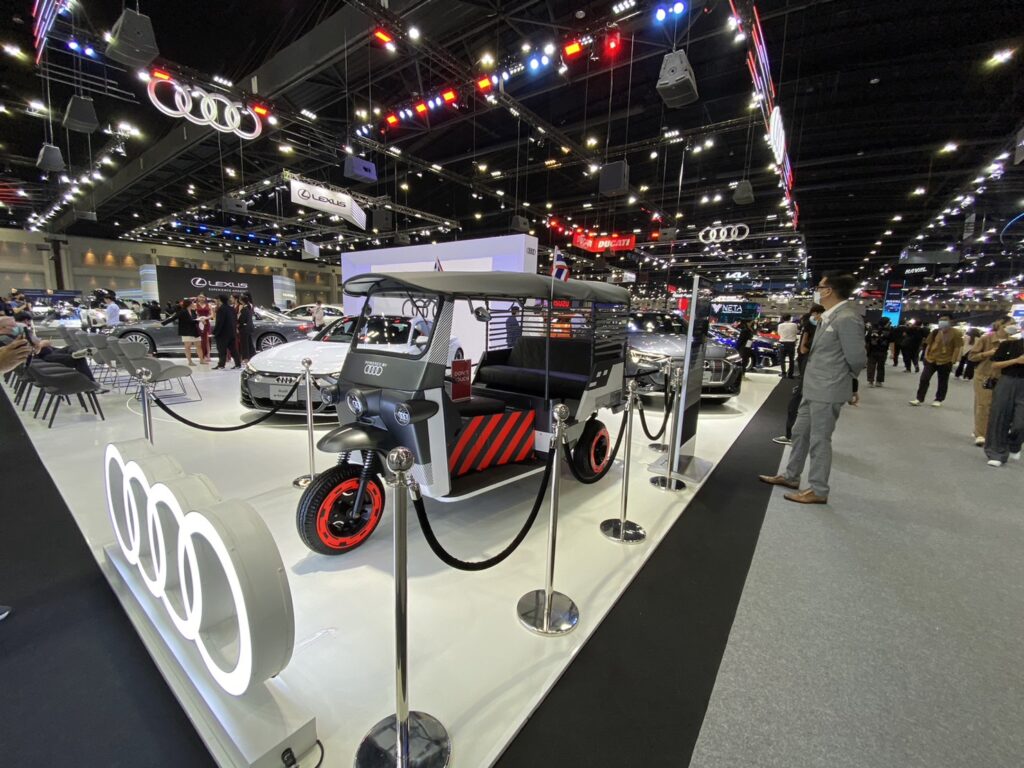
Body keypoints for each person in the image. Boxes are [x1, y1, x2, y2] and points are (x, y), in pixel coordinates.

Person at [759, 272, 865, 504]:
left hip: (828, 388)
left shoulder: (847, 318)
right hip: (812, 387)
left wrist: (850, 382)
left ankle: (818, 489)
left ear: (829, 290)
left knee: (819, 440)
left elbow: (857, 358)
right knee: (799, 432)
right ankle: (791, 475)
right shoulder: (829, 316)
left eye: (820, 287)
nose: (817, 290)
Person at [772, 305, 825, 446]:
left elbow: (803, 349)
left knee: (796, 405)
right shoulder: (799, 327)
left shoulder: (810, 329)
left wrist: (806, 333)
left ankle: (792, 436)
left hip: (807, 368)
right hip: (815, 372)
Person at [984, 321, 1024, 467]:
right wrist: (1016, 361)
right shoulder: (1008, 345)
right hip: (1007, 381)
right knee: (999, 417)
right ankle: (996, 453)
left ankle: (1014, 443)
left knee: (1020, 422)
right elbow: (995, 365)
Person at [969, 317, 1013, 446]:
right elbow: (972, 356)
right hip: (984, 375)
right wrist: (987, 353)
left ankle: (982, 429)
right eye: (1011, 324)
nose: (1014, 326)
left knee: (996, 406)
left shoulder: (1014, 342)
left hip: (1003, 377)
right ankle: (981, 434)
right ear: (1001, 325)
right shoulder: (986, 339)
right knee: (983, 404)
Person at [909, 315, 963, 407]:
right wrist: (926, 356)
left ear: (951, 322)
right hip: (931, 359)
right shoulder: (935, 332)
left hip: (945, 360)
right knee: (924, 378)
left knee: (942, 381)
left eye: (945, 320)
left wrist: (953, 360)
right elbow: (929, 344)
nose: (942, 322)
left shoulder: (956, 333)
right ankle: (919, 398)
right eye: (941, 320)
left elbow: (957, 347)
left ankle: (939, 399)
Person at [161, 298, 201, 366]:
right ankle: (190, 361)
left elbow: (194, 320)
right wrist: (162, 323)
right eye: (192, 303)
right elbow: (173, 318)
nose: (194, 304)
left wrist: (199, 320)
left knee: (198, 345)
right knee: (188, 347)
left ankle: (201, 360)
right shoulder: (182, 311)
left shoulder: (193, 311)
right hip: (186, 331)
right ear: (189, 304)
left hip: (194, 331)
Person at [212, 295, 240, 370]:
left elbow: (219, 322)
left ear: (219, 300)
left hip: (222, 334)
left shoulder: (221, 309)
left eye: (216, 300)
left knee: (222, 350)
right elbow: (235, 320)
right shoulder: (232, 308)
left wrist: (215, 332)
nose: (215, 301)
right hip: (232, 333)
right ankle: (238, 364)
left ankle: (221, 365)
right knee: (233, 350)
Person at [865, 317, 892, 387]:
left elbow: (867, 339)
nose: (889, 324)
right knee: (880, 367)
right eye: (888, 322)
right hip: (882, 351)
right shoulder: (888, 331)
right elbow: (891, 340)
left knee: (871, 366)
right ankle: (878, 381)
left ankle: (870, 381)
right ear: (885, 323)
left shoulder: (872, 329)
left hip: (873, 351)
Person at [237, 293, 256, 363]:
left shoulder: (244, 309)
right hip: (248, 328)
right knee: (249, 343)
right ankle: (252, 356)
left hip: (244, 329)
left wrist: (238, 322)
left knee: (245, 344)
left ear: (241, 301)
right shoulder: (249, 307)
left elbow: (241, 320)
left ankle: (246, 358)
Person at [195, 294, 212, 364]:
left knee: (207, 340)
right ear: (198, 298)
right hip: (198, 323)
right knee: (199, 340)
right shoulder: (195, 305)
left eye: (203, 297)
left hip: (206, 323)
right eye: (200, 297)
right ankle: (201, 356)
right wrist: (200, 318)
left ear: (205, 298)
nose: (202, 298)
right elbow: (194, 314)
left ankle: (208, 355)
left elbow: (212, 315)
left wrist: (205, 318)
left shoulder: (209, 305)